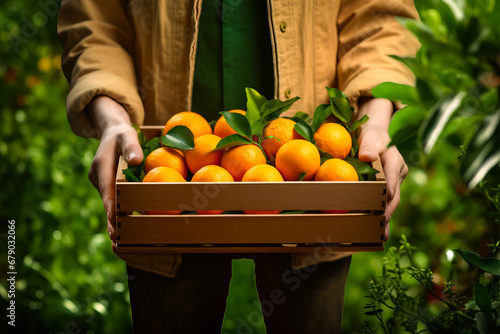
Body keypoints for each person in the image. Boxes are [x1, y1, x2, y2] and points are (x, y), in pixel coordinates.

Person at [58, 0, 419, 332]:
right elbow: (95, 20)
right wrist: (112, 117)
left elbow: (380, 18)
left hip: (311, 187)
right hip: (170, 189)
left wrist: (377, 116)